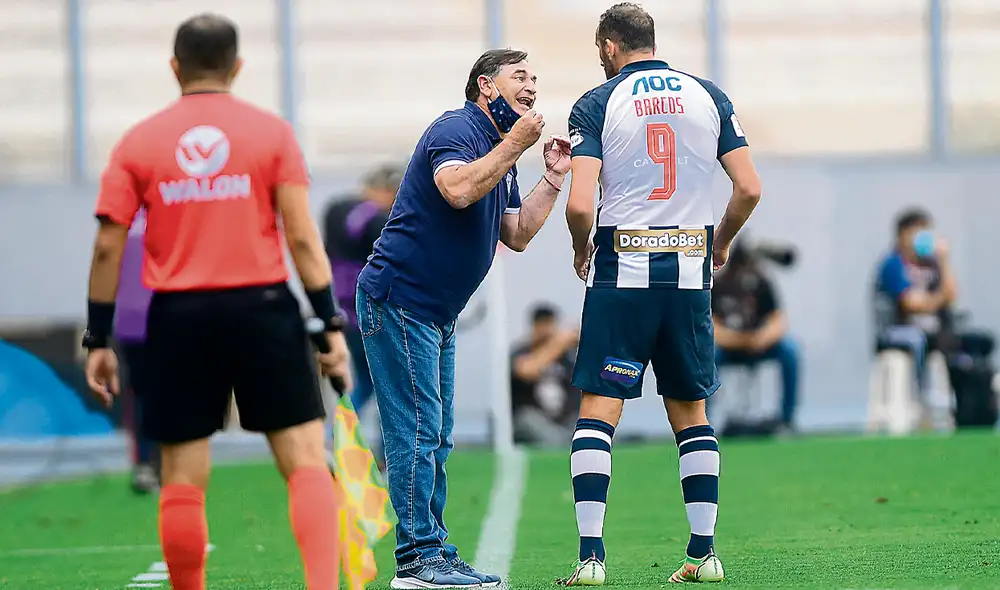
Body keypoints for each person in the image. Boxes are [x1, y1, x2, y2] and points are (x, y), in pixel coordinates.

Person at [81, 14, 352, 590]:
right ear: (238, 67)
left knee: (181, 471)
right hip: (263, 308)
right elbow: (302, 237)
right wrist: (328, 321)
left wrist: (97, 337)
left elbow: (108, 247)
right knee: (305, 457)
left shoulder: (139, 141)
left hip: (178, 317)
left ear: (175, 67)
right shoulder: (271, 133)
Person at [560, 3, 761, 585]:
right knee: (691, 416)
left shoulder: (597, 103)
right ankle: (703, 554)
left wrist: (580, 246)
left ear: (607, 46)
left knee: (599, 412)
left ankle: (591, 559)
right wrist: (719, 243)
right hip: (688, 273)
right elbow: (748, 187)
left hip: (622, 271)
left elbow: (579, 203)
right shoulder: (708, 95)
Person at [356, 48, 571, 588]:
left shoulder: (500, 151)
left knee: (438, 434)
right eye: (520, 76)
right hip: (401, 300)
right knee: (417, 432)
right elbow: (455, 189)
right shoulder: (457, 128)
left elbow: (517, 233)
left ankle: (433, 550)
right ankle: (417, 561)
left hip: (432, 311)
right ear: (486, 87)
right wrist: (515, 145)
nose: (532, 85)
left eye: (535, 77)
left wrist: (551, 178)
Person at [322, 162, 404, 471]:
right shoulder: (377, 218)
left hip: (344, 310)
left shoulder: (335, 209)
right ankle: (389, 454)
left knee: (367, 385)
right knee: (390, 383)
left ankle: (336, 439)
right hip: (370, 310)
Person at [711, 239, 800, 431]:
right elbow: (711, 329)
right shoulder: (718, 285)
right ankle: (703, 421)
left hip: (759, 345)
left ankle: (787, 419)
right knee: (707, 356)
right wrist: (740, 341)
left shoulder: (762, 283)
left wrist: (761, 338)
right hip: (729, 348)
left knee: (790, 351)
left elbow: (778, 321)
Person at [874, 208, 958, 404]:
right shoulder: (893, 265)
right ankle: (919, 398)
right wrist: (939, 299)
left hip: (934, 330)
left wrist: (944, 261)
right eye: (918, 231)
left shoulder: (932, 264)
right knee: (917, 340)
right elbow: (911, 304)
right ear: (903, 234)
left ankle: (966, 404)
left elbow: (952, 295)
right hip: (898, 331)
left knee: (971, 341)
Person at [112, 208, 159, 494]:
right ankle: (147, 462)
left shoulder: (124, 215)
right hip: (137, 323)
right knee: (144, 394)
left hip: (164, 318)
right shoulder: (122, 215)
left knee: (153, 395)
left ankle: (156, 462)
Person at [510, 304, 581, 446]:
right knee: (536, 425)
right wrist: (559, 343)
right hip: (533, 419)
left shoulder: (566, 358)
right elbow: (527, 371)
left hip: (564, 420)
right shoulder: (521, 352)